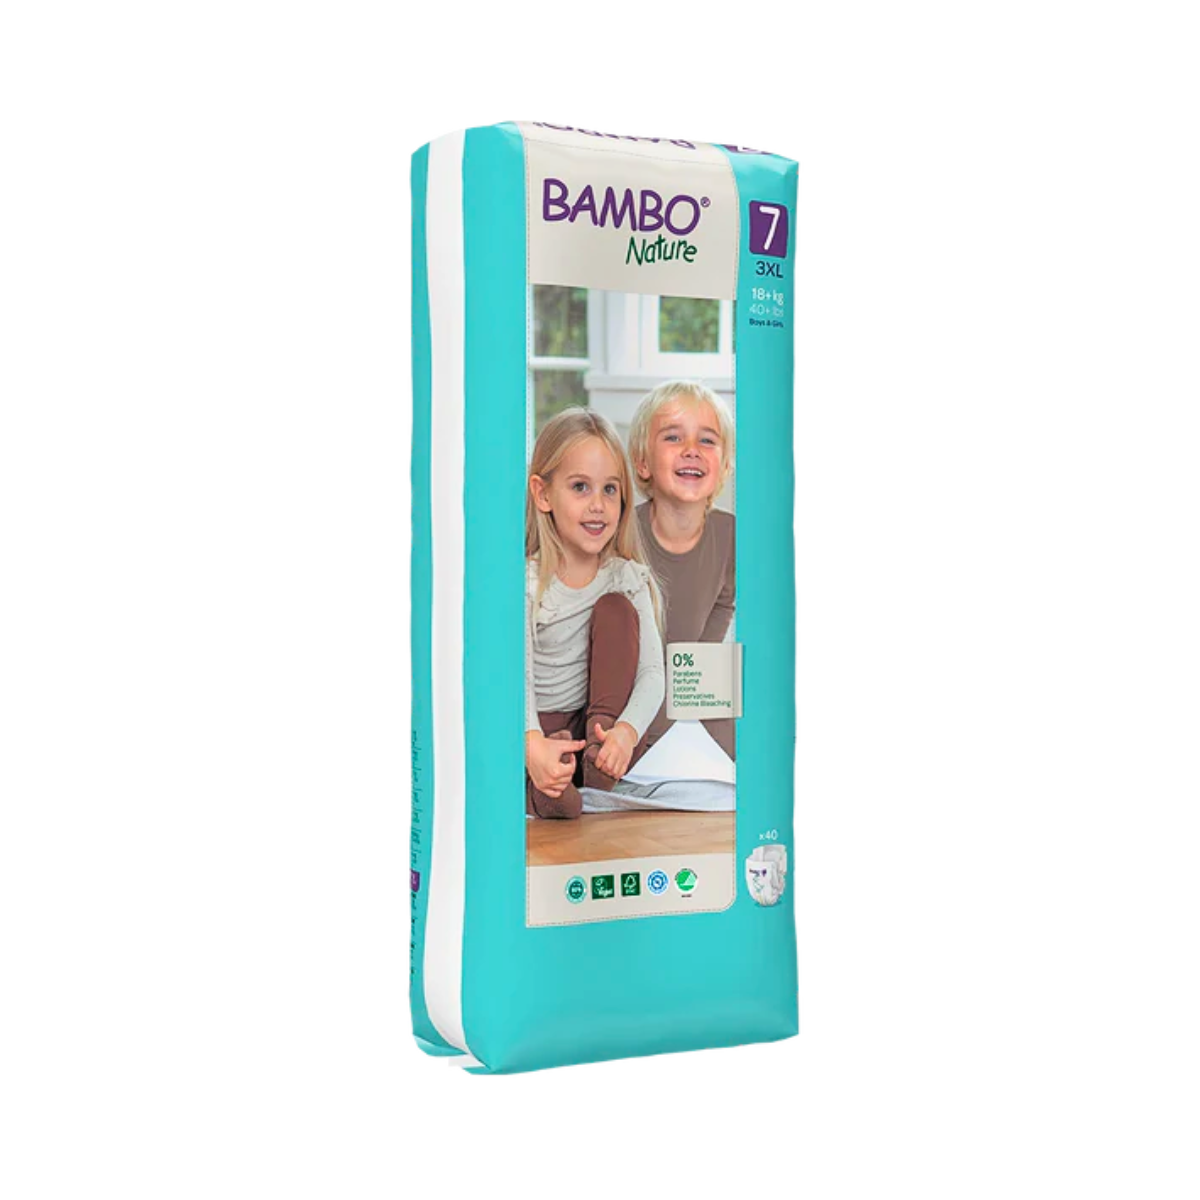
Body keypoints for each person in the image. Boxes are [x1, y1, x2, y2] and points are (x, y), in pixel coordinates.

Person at [525, 408, 665, 819]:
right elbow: (517, 677)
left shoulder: (626, 577)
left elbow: (652, 673)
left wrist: (625, 732)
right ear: (543, 494)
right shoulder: (528, 584)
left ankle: (599, 762)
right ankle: (544, 783)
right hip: (537, 726)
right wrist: (532, 743)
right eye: (580, 487)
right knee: (562, 802)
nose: (598, 505)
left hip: (596, 725)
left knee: (617, 610)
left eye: (609, 489)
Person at [628, 381, 736, 760]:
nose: (692, 449)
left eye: (707, 440)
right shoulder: (621, 534)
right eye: (673, 437)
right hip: (629, 707)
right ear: (643, 462)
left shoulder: (732, 536)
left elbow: (705, 655)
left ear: (725, 466)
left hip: (690, 697)